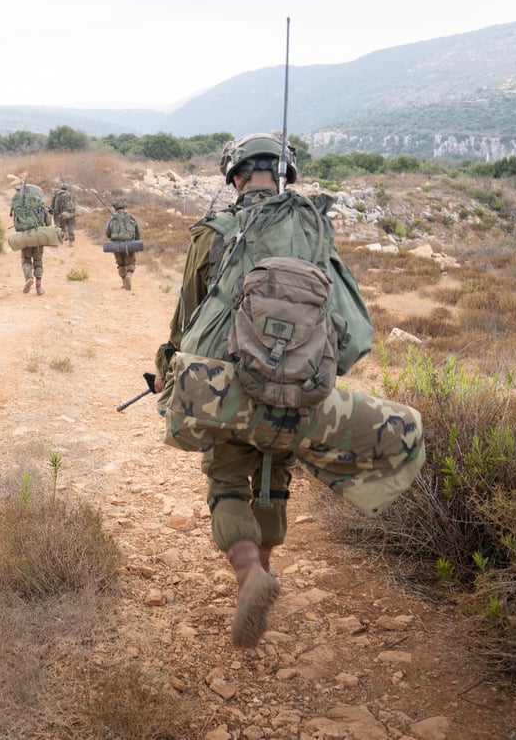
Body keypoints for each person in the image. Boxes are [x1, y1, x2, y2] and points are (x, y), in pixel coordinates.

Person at [152, 132, 425, 648]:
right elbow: (353, 330)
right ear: (285, 176)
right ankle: (269, 563)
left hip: (229, 394)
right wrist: (305, 375)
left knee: (228, 481)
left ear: (234, 177)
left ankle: (250, 571)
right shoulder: (315, 231)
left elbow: (187, 321)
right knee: (276, 477)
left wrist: (172, 368)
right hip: (302, 395)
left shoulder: (213, 233)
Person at [10, 183, 53, 295]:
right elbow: (49, 223)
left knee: (26, 260)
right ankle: (39, 288)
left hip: (25, 236)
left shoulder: (20, 206)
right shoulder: (40, 206)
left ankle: (28, 278)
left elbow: (16, 223)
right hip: (38, 237)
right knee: (38, 261)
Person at [105, 200, 140, 290]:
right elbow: (137, 232)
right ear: (124, 208)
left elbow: (108, 234)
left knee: (120, 264)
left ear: (115, 209)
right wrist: (136, 242)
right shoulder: (130, 217)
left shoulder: (112, 218)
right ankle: (129, 275)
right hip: (129, 244)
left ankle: (124, 282)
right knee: (130, 262)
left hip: (117, 245)